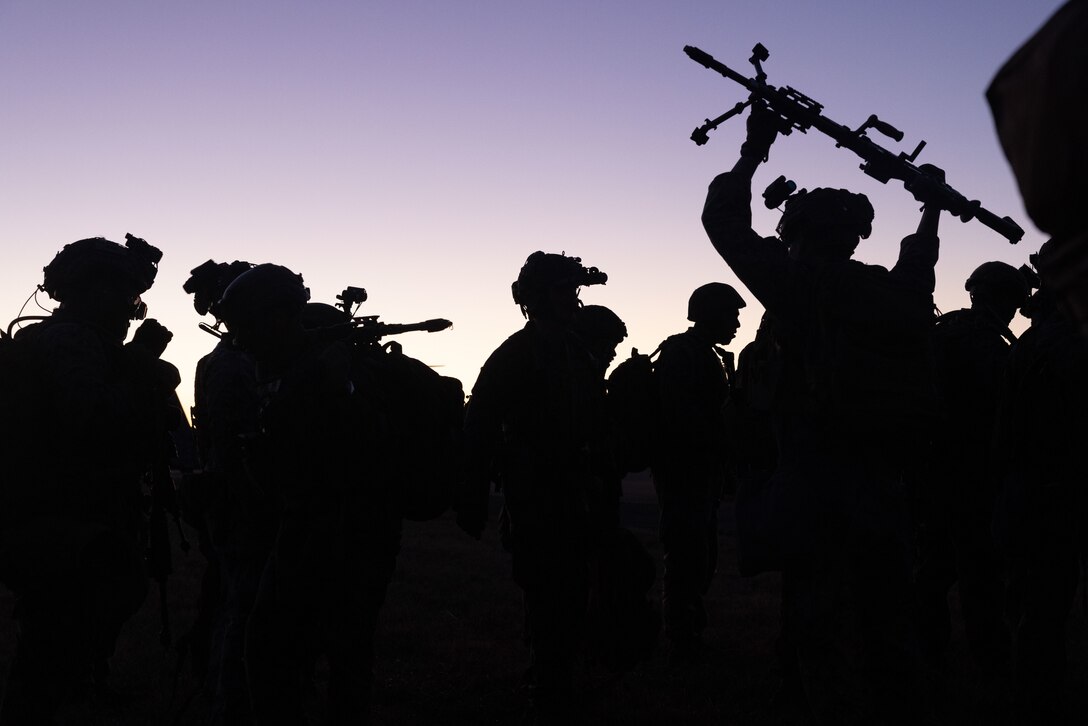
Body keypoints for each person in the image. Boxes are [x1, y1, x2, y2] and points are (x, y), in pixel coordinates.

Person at [700, 104, 940, 724]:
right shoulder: (895, 295)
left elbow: (723, 222)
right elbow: (919, 270)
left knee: (819, 627)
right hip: (885, 485)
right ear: (855, 235)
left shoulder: (800, 287)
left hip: (819, 486)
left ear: (798, 234)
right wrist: (931, 209)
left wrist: (754, 151)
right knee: (888, 626)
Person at [215, 264, 400, 725]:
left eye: (246, 329)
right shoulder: (297, 371)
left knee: (295, 655)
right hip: (312, 533)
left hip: (338, 538)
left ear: (278, 318)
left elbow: (347, 460)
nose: (241, 342)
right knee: (305, 656)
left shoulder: (329, 376)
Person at [0, 235, 168, 723]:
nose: (131, 312)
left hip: (61, 519)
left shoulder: (63, 340)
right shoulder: (71, 340)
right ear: (97, 293)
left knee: (56, 649)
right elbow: (90, 419)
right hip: (59, 521)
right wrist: (140, 369)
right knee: (49, 657)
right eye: (127, 298)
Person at [458, 251, 609, 720]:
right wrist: (472, 500)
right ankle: (549, 680)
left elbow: (596, 424)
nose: (572, 300)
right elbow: (478, 429)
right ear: (537, 298)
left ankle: (559, 673)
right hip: (535, 497)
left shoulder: (575, 352)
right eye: (562, 290)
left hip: (575, 494)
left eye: (574, 290)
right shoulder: (514, 356)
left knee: (572, 588)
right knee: (546, 591)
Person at [915, 261, 1031, 669]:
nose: (1016, 312)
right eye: (1015, 303)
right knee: (980, 575)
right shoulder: (990, 345)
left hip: (934, 470)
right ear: (1003, 299)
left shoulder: (944, 330)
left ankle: (930, 654)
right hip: (974, 473)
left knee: (932, 571)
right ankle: (989, 659)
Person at [992, 242, 1088, 725]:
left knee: (1039, 611)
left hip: (1039, 490)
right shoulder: (1064, 343)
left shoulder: (1035, 343)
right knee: (1044, 611)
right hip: (1057, 492)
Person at [184, 258, 269, 725]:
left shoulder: (225, 361)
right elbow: (236, 447)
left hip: (234, 501)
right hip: (241, 505)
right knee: (241, 610)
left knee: (230, 602)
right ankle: (228, 701)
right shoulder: (235, 365)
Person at [650, 282, 744, 661]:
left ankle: (687, 628)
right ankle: (681, 634)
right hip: (683, 470)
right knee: (687, 553)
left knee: (699, 553)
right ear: (709, 315)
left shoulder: (705, 355)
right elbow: (680, 417)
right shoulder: (683, 353)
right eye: (730, 314)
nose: (736, 322)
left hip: (700, 470)